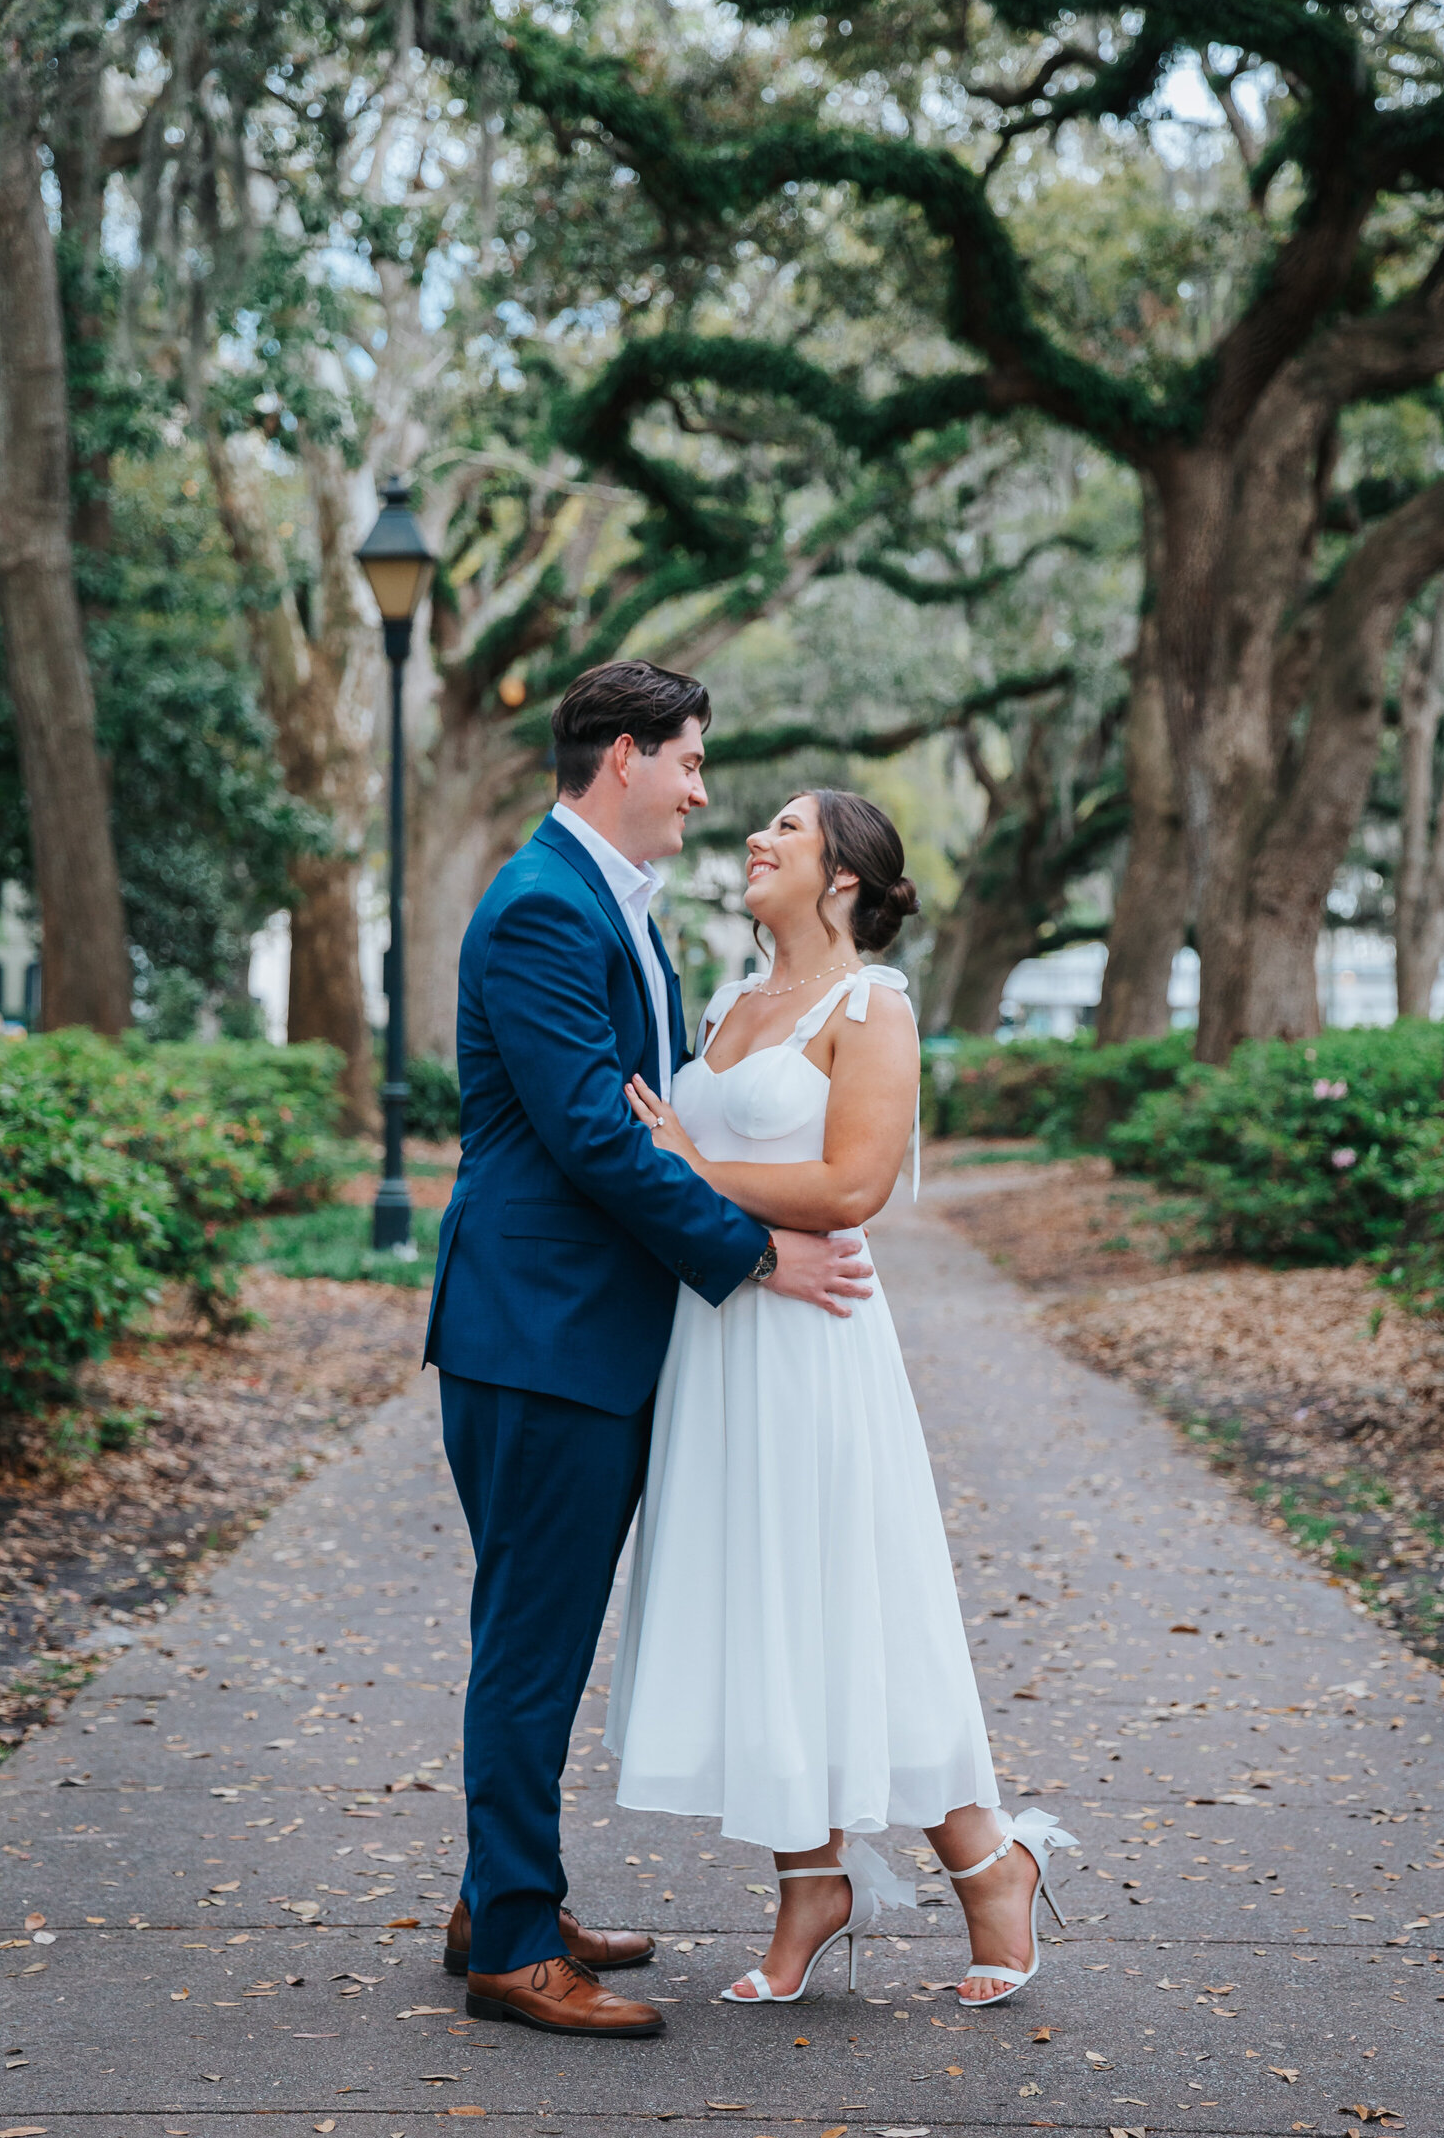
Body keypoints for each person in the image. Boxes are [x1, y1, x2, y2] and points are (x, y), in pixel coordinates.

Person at [423, 663, 873, 2040]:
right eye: (687, 760)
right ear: (624, 756)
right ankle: (509, 1943)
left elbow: (650, 1121)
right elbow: (599, 1138)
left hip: (575, 1330)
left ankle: (507, 1894)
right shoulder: (547, 911)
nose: (700, 790)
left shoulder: (601, 902)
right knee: (532, 1639)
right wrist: (755, 1255)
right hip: (540, 1328)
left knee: (539, 1629)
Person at [608, 788, 1075, 2008]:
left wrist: (692, 1166)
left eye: (786, 830)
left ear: (845, 879)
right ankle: (808, 1877)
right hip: (716, 1344)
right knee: (753, 1605)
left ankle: (991, 1863)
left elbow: (853, 1181)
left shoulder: (870, 1007)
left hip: (813, 1345)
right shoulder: (719, 1001)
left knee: (853, 1602)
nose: (754, 837)